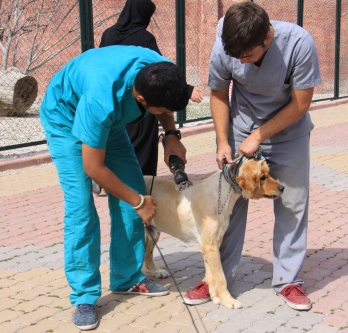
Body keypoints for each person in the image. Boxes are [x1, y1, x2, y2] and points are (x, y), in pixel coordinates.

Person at [182, 2, 321, 311]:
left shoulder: (298, 43)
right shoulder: (225, 46)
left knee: (292, 203)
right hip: (240, 128)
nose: (241, 62)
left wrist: (259, 136)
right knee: (225, 206)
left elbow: (301, 104)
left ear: (267, 39)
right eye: (236, 56)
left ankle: (289, 280)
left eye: (248, 55)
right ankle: (217, 278)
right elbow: (219, 93)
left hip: (289, 132)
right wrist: (222, 141)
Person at [39, 46, 190, 330]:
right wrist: (138, 202)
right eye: (162, 111)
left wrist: (171, 136)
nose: (166, 113)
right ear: (141, 99)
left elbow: (165, 105)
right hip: (65, 116)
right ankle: (84, 295)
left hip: (109, 123)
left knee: (132, 187)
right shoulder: (102, 99)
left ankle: (127, 278)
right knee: (81, 207)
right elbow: (93, 167)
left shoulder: (160, 69)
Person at [99, 0, 202, 180]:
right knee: (143, 148)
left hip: (115, 102)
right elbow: (160, 71)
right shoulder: (144, 37)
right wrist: (185, 89)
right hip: (143, 99)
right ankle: (143, 184)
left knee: (118, 145)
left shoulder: (108, 34)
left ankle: (115, 181)